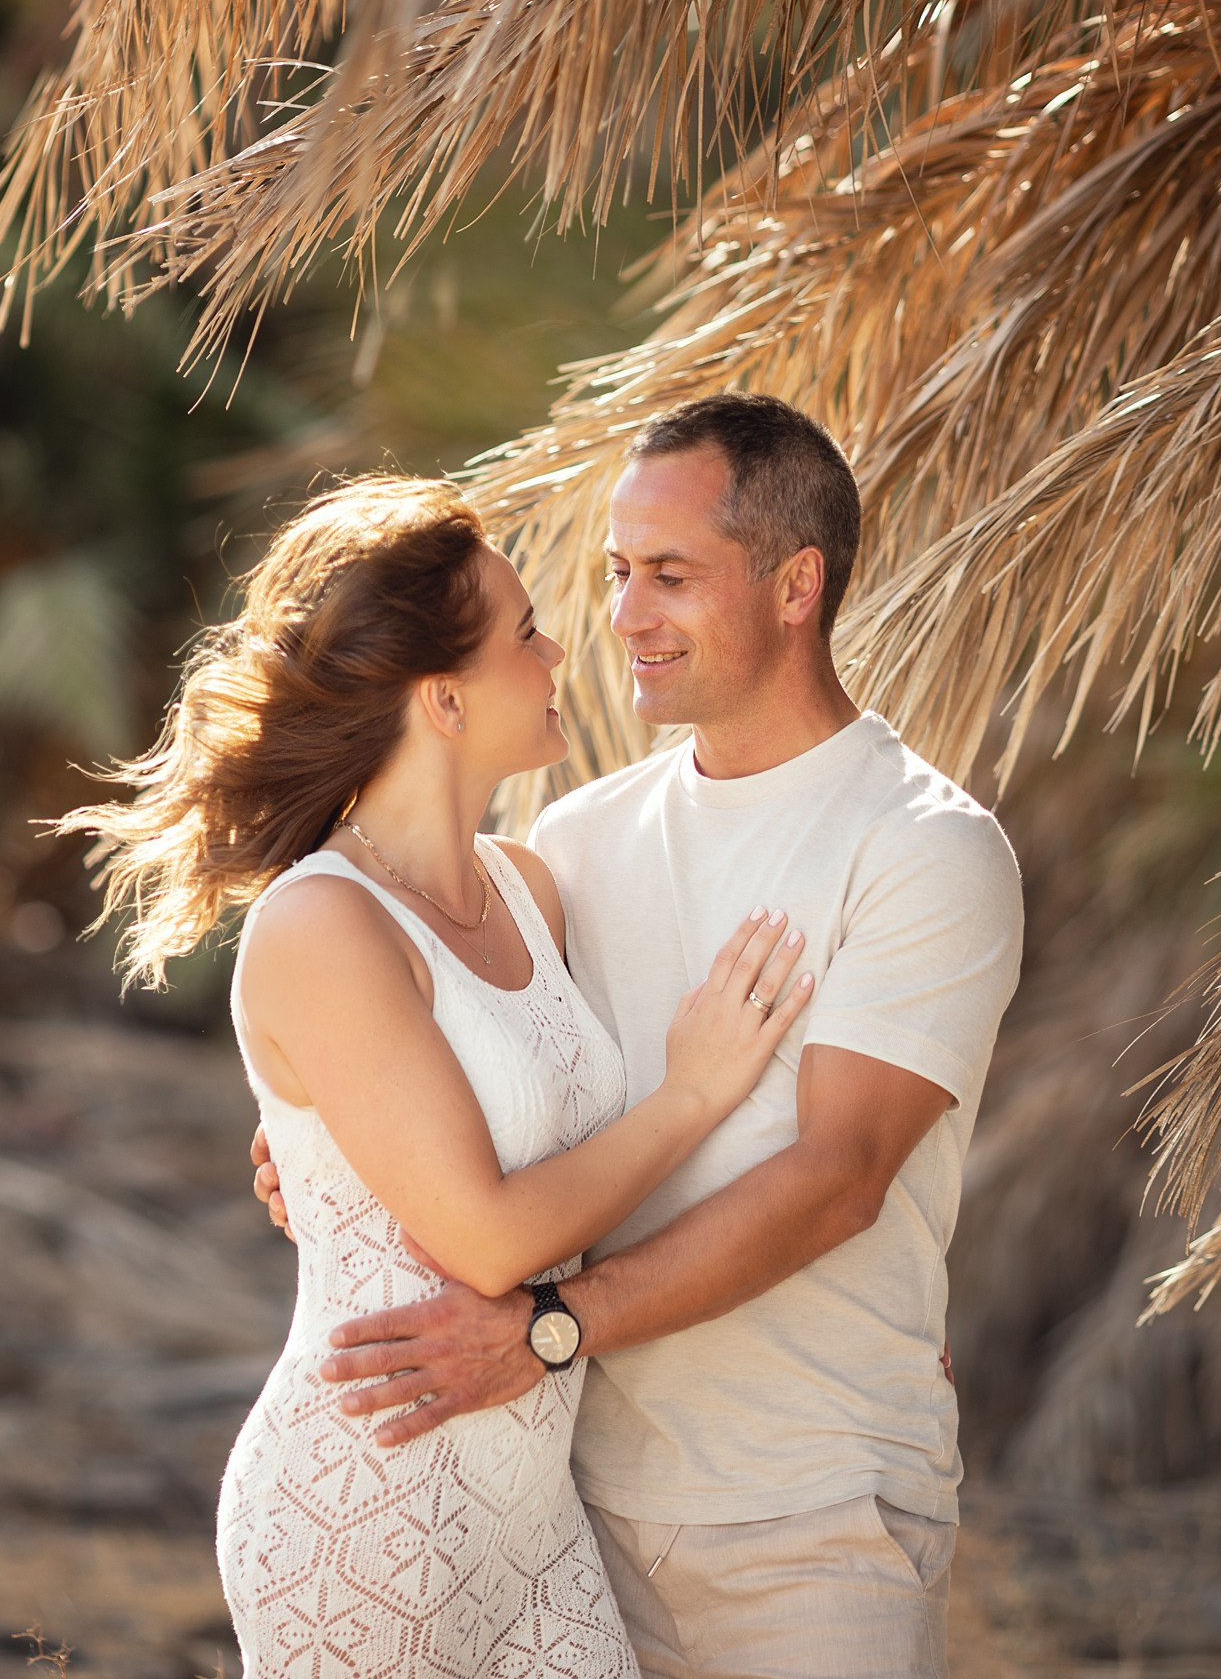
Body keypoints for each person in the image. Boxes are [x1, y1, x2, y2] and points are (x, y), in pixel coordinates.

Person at [254, 397, 1025, 1678]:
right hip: (566, 1517)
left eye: (668, 576)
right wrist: (320, 1138)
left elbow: (837, 1179)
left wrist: (551, 1324)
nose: (620, 617)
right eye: (616, 574)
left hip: (812, 1516)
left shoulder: (923, 847)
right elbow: (448, 1042)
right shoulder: (571, 846)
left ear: (796, 585)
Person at [62, 475, 818, 1677]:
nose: (562, 645)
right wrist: (689, 1092)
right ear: (446, 697)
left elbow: (522, 1131)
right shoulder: (322, 923)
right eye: (525, 630)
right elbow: (484, 1237)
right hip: (367, 1504)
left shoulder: (531, 887)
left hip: (527, 1516)